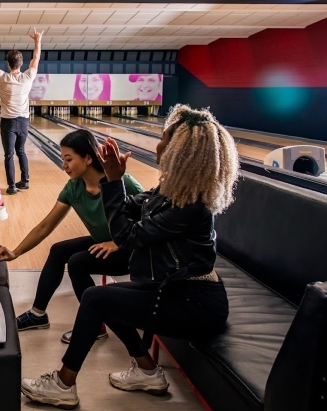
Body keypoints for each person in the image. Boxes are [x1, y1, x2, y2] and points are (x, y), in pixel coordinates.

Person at [20, 104, 239, 409]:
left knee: (97, 299)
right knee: (99, 298)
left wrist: (112, 182)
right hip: (175, 290)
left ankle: (63, 384)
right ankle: (147, 371)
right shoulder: (172, 192)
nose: (158, 144)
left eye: (164, 139)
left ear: (180, 152)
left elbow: (127, 237)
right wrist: (114, 180)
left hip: (195, 303)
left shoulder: (190, 207)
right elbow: (130, 206)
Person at [0, 130, 143, 344]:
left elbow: (151, 222)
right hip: (105, 243)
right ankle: (38, 314)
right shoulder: (74, 187)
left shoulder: (122, 182)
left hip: (133, 250)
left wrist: (118, 242)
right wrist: (15, 252)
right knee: (59, 250)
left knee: (77, 263)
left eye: (68, 159)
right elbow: (46, 225)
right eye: (62, 159)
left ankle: (95, 325)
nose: (63, 164)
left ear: (88, 158)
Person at [0, 28, 43, 195]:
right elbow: (36, 58)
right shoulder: (28, 77)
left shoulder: (3, 77)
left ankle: (12, 186)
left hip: (8, 122)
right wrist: (37, 41)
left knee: (9, 155)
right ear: (20, 63)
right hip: (24, 122)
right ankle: (25, 181)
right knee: (21, 151)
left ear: (8, 63)